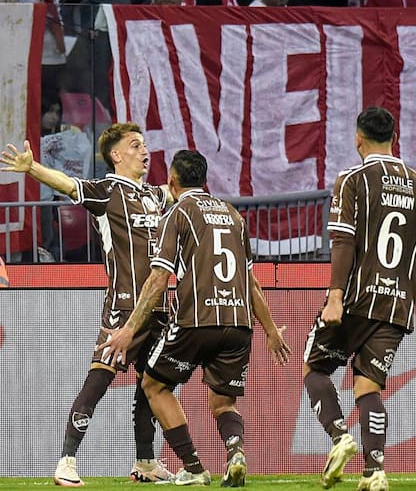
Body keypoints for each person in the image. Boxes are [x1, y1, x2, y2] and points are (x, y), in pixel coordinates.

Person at [97, 149, 291, 487]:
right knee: (223, 400)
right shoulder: (233, 215)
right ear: (205, 180)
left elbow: (158, 279)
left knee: (154, 385)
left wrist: (129, 329)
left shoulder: (178, 213)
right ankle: (235, 453)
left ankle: (194, 466)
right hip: (239, 324)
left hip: (196, 320)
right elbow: (251, 281)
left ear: (172, 181)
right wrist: (271, 330)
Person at [0, 123, 175, 486]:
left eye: (144, 145)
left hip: (159, 307)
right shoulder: (106, 191)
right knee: (99, 379)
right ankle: (66, 461)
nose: (145, 152)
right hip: (124, 307)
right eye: (135, 145)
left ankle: (145, 462)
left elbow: (186, 194)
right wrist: (32, 167)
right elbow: (67, 184)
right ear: (116, 155)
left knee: (152, 386)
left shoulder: (156, 197)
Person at [302, 106, 416, 491]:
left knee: (315, 369)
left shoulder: (352, 179)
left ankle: (340, 437)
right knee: (368, 387)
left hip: (357, 298)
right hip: (396, 307)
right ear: (394, 137)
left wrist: (335, 296)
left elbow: (344, 240)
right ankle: (375, 471)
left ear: (358, 138)